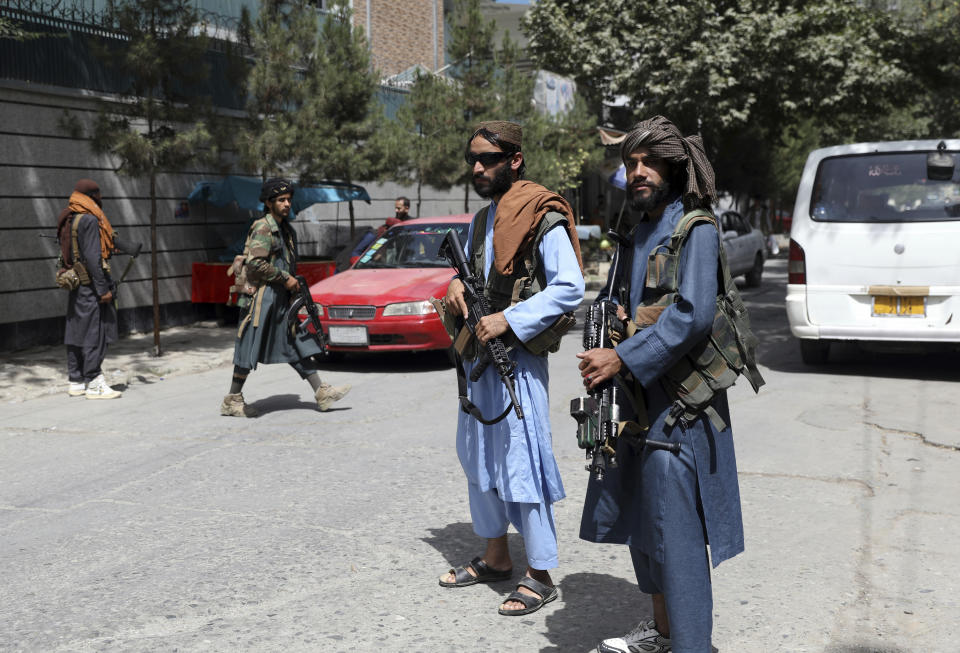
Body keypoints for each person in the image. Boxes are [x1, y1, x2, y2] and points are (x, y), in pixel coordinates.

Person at [576, 116, 746, 653]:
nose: (639, 171)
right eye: (631, 163)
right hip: (635, 402)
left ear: (675, 165)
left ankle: (692, 645)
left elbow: (692, 315)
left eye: (650, 162)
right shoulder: (636, 227)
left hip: (680, 408)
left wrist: (621, 358)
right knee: (644, 525)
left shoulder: (693, 227)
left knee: (676, 535)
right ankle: (663, 632)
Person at [439, 121, 585, 616]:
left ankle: (540, 573)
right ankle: (496, 557)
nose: (478, 168)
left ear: (515, 160)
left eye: (488, 159)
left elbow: (568, 288)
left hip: (516, 359)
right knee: (477, 455)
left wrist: (509, 318)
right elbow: (474, 277)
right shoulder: (483, 221)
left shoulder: (543, 216)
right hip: (478, 356)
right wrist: (456, 289)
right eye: (473, 160)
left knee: (522, 461)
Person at [221, 178, 351, 417]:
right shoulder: (263, 227)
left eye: (289, 199)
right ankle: (232, 399)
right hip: (261, 301)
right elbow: (256, 264)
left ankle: (321, 391)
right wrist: (285, 278)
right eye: (281, 200)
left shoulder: (286, 229)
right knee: (248, 346)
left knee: (295, 339)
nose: (287, 204)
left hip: (281, 299)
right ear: (269, 203)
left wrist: (291, 286)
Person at [58, 179, 122, 399]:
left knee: (75, 329)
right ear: (93, 195)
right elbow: (94, 258)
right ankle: (94, 380)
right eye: (99, 194)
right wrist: (103, 288)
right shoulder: (90, 219)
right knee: (96, 332)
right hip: (92, 283)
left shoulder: (70, 216)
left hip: (75, 281)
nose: (101, 198)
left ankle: (76, 380)